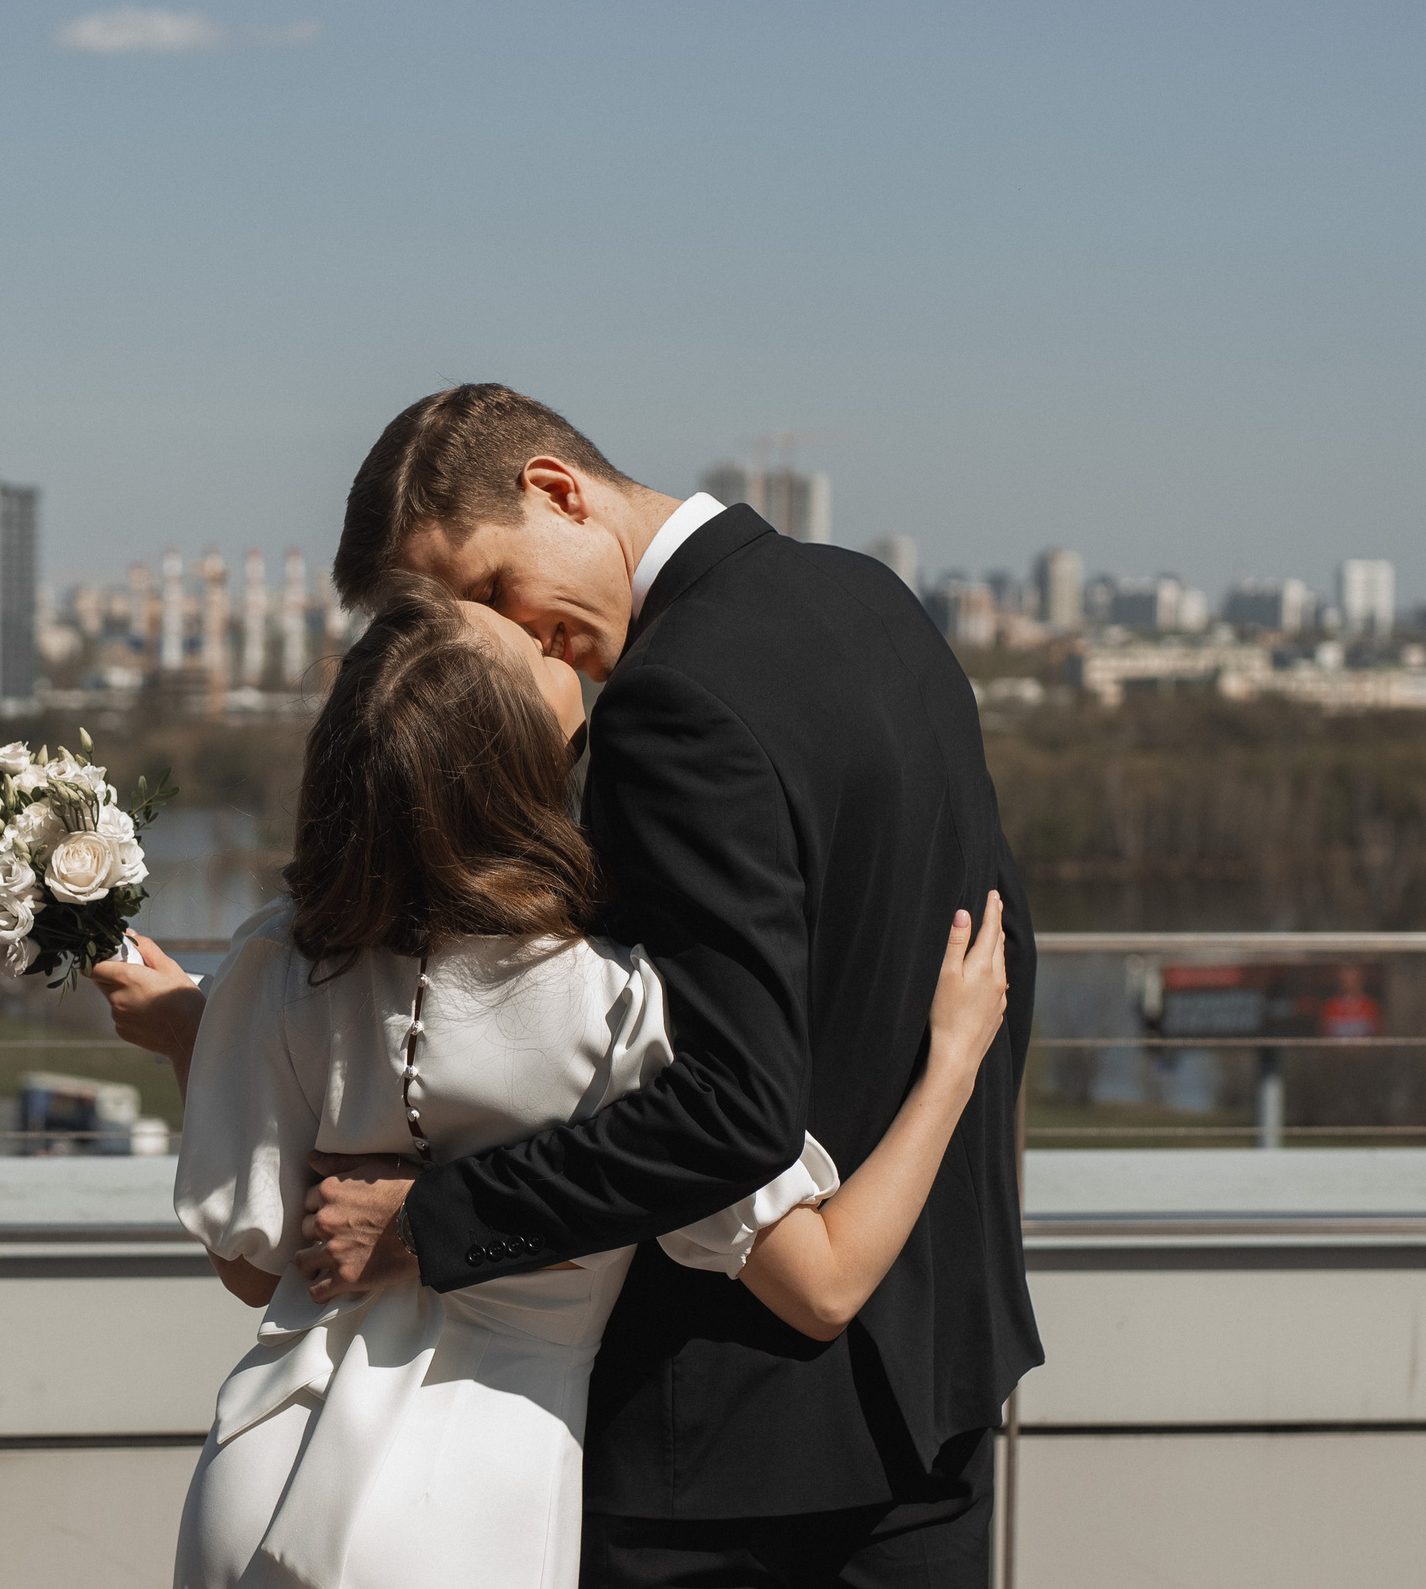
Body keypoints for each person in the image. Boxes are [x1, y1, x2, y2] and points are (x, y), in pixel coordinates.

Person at [97, 385, 1042, 1586]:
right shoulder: (873, 602)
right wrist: (954, 1070)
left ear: (556, 489)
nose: (516, 643)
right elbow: (994, 941)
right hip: (936, 1375)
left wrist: (426, 1221)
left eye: (492, 592)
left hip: (724, 1444)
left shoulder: (668, 704)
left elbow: (726, 1103)